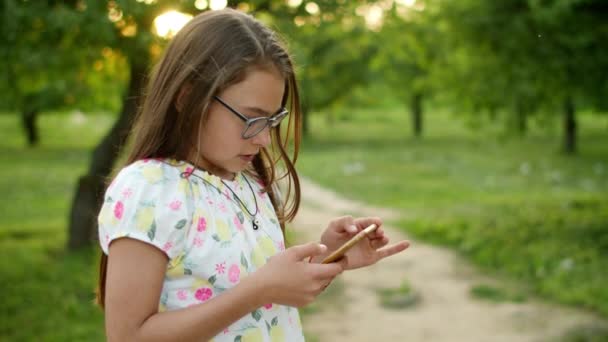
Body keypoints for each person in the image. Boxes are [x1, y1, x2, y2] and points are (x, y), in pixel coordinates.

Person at [96, 8, 410, 342]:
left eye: (272, 120)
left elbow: (258, 293)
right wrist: (260, 290)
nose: (263, 139)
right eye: (250, 118)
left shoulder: (249, 184)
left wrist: (327, 256)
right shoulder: (150, 190)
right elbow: (127, 336)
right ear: (187, 97)